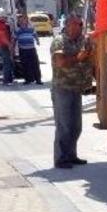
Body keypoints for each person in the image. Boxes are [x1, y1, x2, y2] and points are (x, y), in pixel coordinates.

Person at [50, 13, 93, 169]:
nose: (79, 27)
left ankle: (71, 155)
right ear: (67, 25)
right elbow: (60, 62)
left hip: (76, 88)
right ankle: (61, 158)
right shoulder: (59, 42)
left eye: (80, 24)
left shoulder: (82, 41)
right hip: (62, 88)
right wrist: (78, 58)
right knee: (64, 125)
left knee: (76, 126)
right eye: (75, 24)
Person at [15, 15, 42, 85]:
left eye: (24, 20)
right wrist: (11, 48)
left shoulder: (31, 28)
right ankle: (28, 79)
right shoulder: (18, 30)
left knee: (35, 64)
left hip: (31, 49)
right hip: (23, 49)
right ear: (19, 22)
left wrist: (37, 41)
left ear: (27, 21)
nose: (22, 22)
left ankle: (38, 79)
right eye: (20, 20)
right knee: (25, 65)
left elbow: (35, 35)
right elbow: (14, 39)